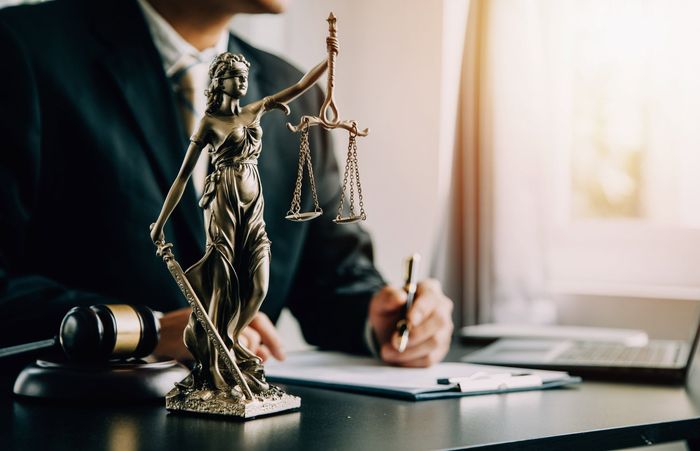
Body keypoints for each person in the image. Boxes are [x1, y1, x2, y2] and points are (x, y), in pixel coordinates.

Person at [0, 0, 453, 376]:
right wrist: (150, 329)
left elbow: (333, 279)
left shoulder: (286, 89)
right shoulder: (22, 50)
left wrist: (381, 320)